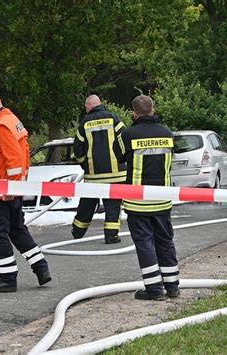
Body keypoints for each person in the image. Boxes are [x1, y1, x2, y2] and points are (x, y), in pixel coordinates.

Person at [0, 86, 51, 293]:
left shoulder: (1, 125)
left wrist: (12, 185)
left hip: (3, 190)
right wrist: (19, 184)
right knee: (17, 230)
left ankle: (7, 278)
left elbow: (15, 159)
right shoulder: (12, 120)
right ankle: (41, 268)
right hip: (13, 187)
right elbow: (23, 156)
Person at [114, 95, 179, 301]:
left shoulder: (128, 135)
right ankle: (172, 286)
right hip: (163, 199)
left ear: (134, 113)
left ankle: (153, 289)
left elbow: (119, 156)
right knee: (165, 241)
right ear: (154, 109)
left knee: (144, 243)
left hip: (138, 201)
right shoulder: (167, 133)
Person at [72, 95, 127, 244]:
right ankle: (111, 236)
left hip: (93, 175)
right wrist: (122, 160)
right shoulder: (113, 118)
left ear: (90, 105)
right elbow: (124, 139)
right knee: (113, 206)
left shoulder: (85, 123)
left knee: (87, 203)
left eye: (86, 106)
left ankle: (77, 231)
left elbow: (77, 147)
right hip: (116, 174)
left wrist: (85, 163)